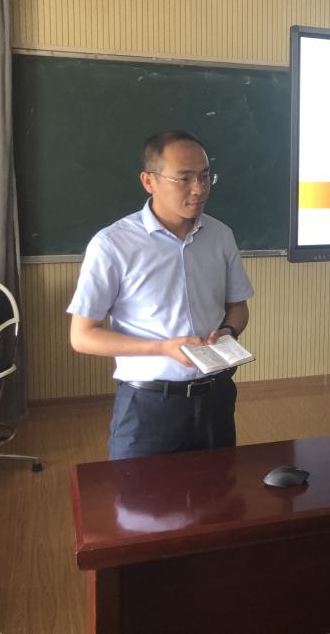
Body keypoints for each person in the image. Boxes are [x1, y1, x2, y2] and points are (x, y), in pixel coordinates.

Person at [68, 131, 254, 459]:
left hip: (216, 398)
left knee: (220, 487)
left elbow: (238, 307)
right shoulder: (112, 245)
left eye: (205, 176)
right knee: (139, 492)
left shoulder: (220, 235)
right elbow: (83, 337)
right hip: (149, 405)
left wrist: (228, 331)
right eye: (184, 178)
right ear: (148, 181)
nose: (199, 189)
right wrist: (162, 348)